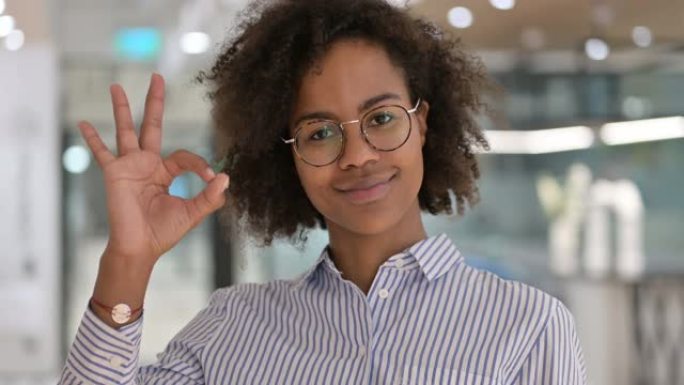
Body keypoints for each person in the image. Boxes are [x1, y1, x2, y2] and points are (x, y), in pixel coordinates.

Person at [59, 0, 587, 383]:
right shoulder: (233, 328)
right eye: (319, 132)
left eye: (381, 118)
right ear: (286, 154)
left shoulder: (528, 327)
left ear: (422, 124)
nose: (357, 155)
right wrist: (127, 261)